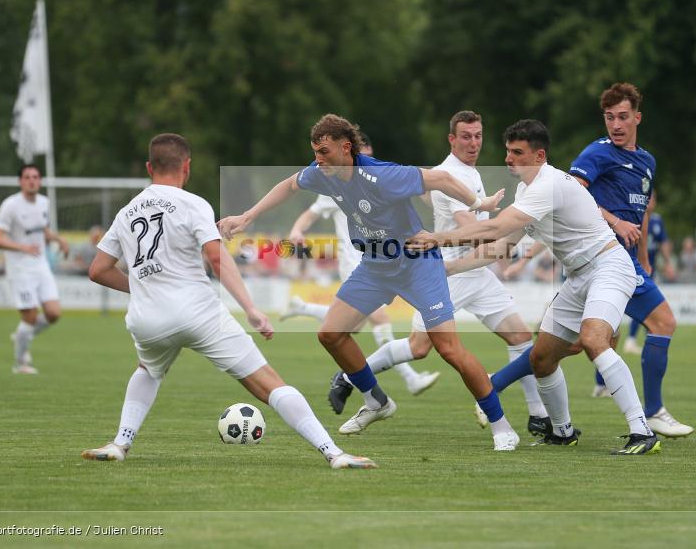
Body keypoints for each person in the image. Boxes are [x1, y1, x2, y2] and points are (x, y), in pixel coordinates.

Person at [218, 114, 520, 451]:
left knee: (449, 349)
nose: (318, 159)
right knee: (330, 334)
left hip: (416, 263)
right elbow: (289, 184)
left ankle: (501, 425)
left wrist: (479, 204)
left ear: (346, 148)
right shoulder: (324, 173)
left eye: (324, 151)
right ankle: (376, 401)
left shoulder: (381, 175)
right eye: (315, 151)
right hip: (375, 266)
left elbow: (441, 178)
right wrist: (247, 216)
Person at [81, 133, 375, 469]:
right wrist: (251, 309)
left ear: (150, 167)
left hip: (147, 319)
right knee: (269, 384)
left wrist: (147, 288)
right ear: (187, 167)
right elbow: (217, 259)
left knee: (148, 369)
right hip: (198, 314)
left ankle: (120, 443)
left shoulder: (126, 212)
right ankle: (333, 453)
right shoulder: (193, 204)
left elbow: (97, 270)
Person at [408, 118, 661, 455]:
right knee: (541, 358)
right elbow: (500, 247)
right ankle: (562, 431)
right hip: (580, 276)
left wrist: (435, 239)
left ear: (539, 155)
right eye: (508, 151)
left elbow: (494, 229)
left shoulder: (547, 185)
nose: (508, 159)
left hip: (609, 266)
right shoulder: (527, 190)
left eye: (517, 152)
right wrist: (449, 267)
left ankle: (642, 432)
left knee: (593, 340)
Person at [326, 111, 549, 438]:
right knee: (419, 348)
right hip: (445, 272)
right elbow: (470, 229)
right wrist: (517, 232)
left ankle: (537, 414)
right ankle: (348, 377)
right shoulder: (449, 174)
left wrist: (508, 236)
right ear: (452, 139)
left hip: (476, 271)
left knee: (520, 337)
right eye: (466, 136)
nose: (474, 143)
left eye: (478, 135)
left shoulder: (470, 173)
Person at [569, 82, 693, 437]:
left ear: (637, 117)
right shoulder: (597, 153)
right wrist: (615, 221)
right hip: (600, 260)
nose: (616, 125)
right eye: (610, 118)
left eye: (623, 117)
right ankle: (494, 385)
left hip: (629, 263)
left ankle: (653, 411)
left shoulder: (647, 161)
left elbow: (642, 213)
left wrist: (642, 254)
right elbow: (571, 194)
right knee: (569, 344)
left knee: (661, 324)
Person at [282, 134, 440, 397]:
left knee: (352, 327)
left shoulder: (374, 179)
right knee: (378, 319)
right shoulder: (333, 181)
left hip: (377, 260)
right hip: (355, 263)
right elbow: (310, 213)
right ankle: (407, 379)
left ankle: (303, 308)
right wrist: (297, 230)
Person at [0, 165, 69, 374]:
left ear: (40, 180)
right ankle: (20, 363)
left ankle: (21, 336)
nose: (32, 180)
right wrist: (22, 247)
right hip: (20, 269)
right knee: (30, 317)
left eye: (35, 177)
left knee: (53, 313)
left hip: (41, 266)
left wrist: (58, 238)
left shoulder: (44, 202)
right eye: (27, 177)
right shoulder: (10, 205)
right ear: (20, 181)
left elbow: (42, 229)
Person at [621, 193, 671, 355]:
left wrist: (668, 263)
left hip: (649, 268)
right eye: (649, 199)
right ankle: (630, 340)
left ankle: (640, 338)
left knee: (648, 307)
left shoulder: (657, 221)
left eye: (654, 199)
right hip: (632, 268)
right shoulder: (632, 215)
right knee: (642, 306)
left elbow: (663, 243)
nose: (651, 202)